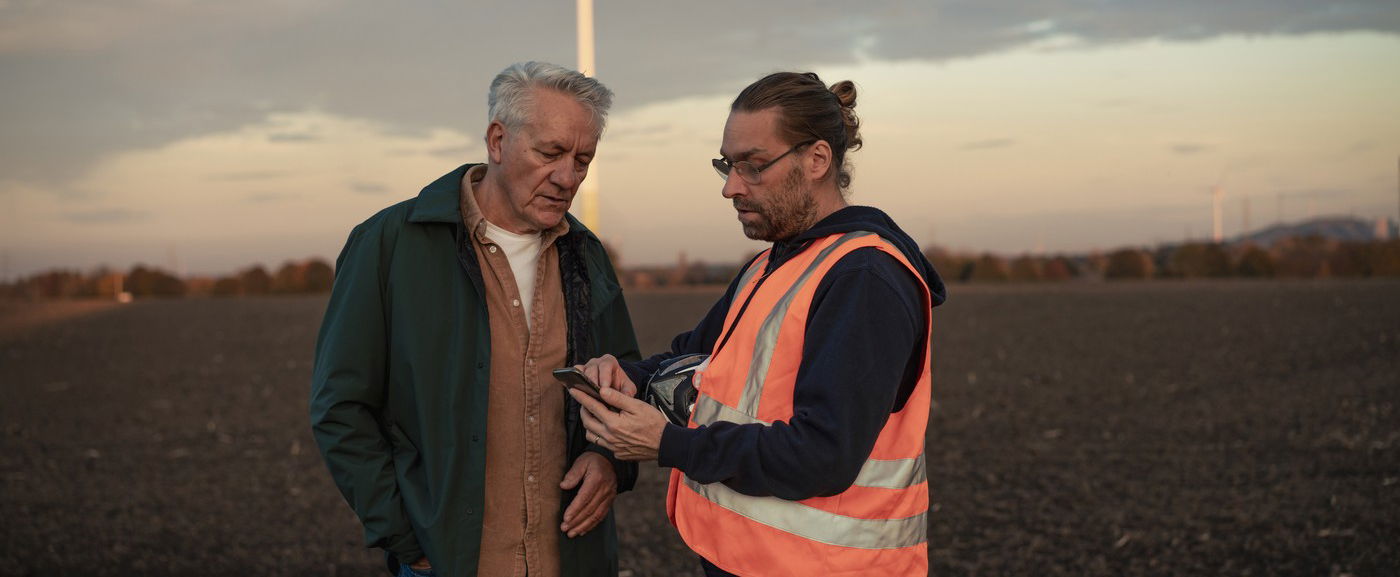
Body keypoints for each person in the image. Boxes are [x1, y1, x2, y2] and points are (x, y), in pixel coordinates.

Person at [568, 71, 947, 576]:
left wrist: (667, 443)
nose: (730, 187)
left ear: (816, 159)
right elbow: (693, 358)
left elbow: (822, 455)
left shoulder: (865, 279)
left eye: (753, 166)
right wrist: (627, 378)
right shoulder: (771, 266)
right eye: (727, 164)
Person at [310, 61, 641, 577]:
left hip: (573, 560)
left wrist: (608, 460)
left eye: (583, 159)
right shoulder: (389, 245)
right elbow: (341, 407)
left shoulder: (586, 253)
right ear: (497, 140)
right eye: (550, 153)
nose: (568, 176)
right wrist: (406, 537)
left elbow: (625, 376)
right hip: (445, 563)